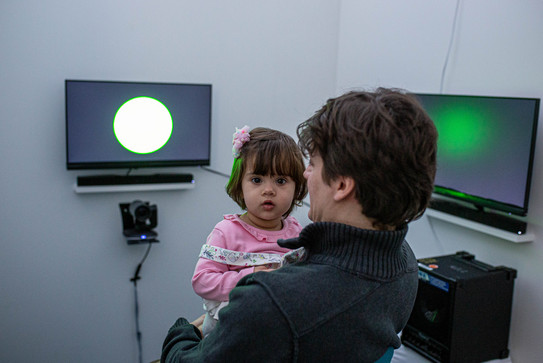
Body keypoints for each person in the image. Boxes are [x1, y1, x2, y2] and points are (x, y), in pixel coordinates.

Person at [162, 88, 438, 362]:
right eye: (257, 179)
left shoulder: (270, 303)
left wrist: (182, 333)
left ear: (341, 185)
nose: (305, 175)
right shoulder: (407, 265)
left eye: (313, 164)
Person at [191, 126, 308, 336]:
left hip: (280, 328)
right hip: (229, 332)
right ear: (239, 184)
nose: (268, 190)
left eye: (281, 181)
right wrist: (249, 277)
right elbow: (202, 281)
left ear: (297, 187)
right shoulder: (225, 232)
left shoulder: (296, 232)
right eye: (257, 180)